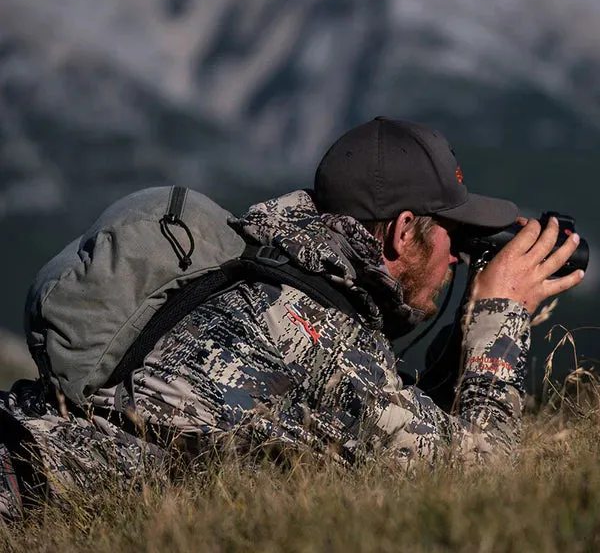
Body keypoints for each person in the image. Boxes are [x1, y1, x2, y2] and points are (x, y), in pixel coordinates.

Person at [0, 117, 584, 519]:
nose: (456, 256)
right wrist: (500, 319)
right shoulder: (317, 334)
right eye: (450, 234)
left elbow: (397, 422)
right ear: (405, 232)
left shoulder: (270, 271)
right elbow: (479, 478)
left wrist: (464, 340)